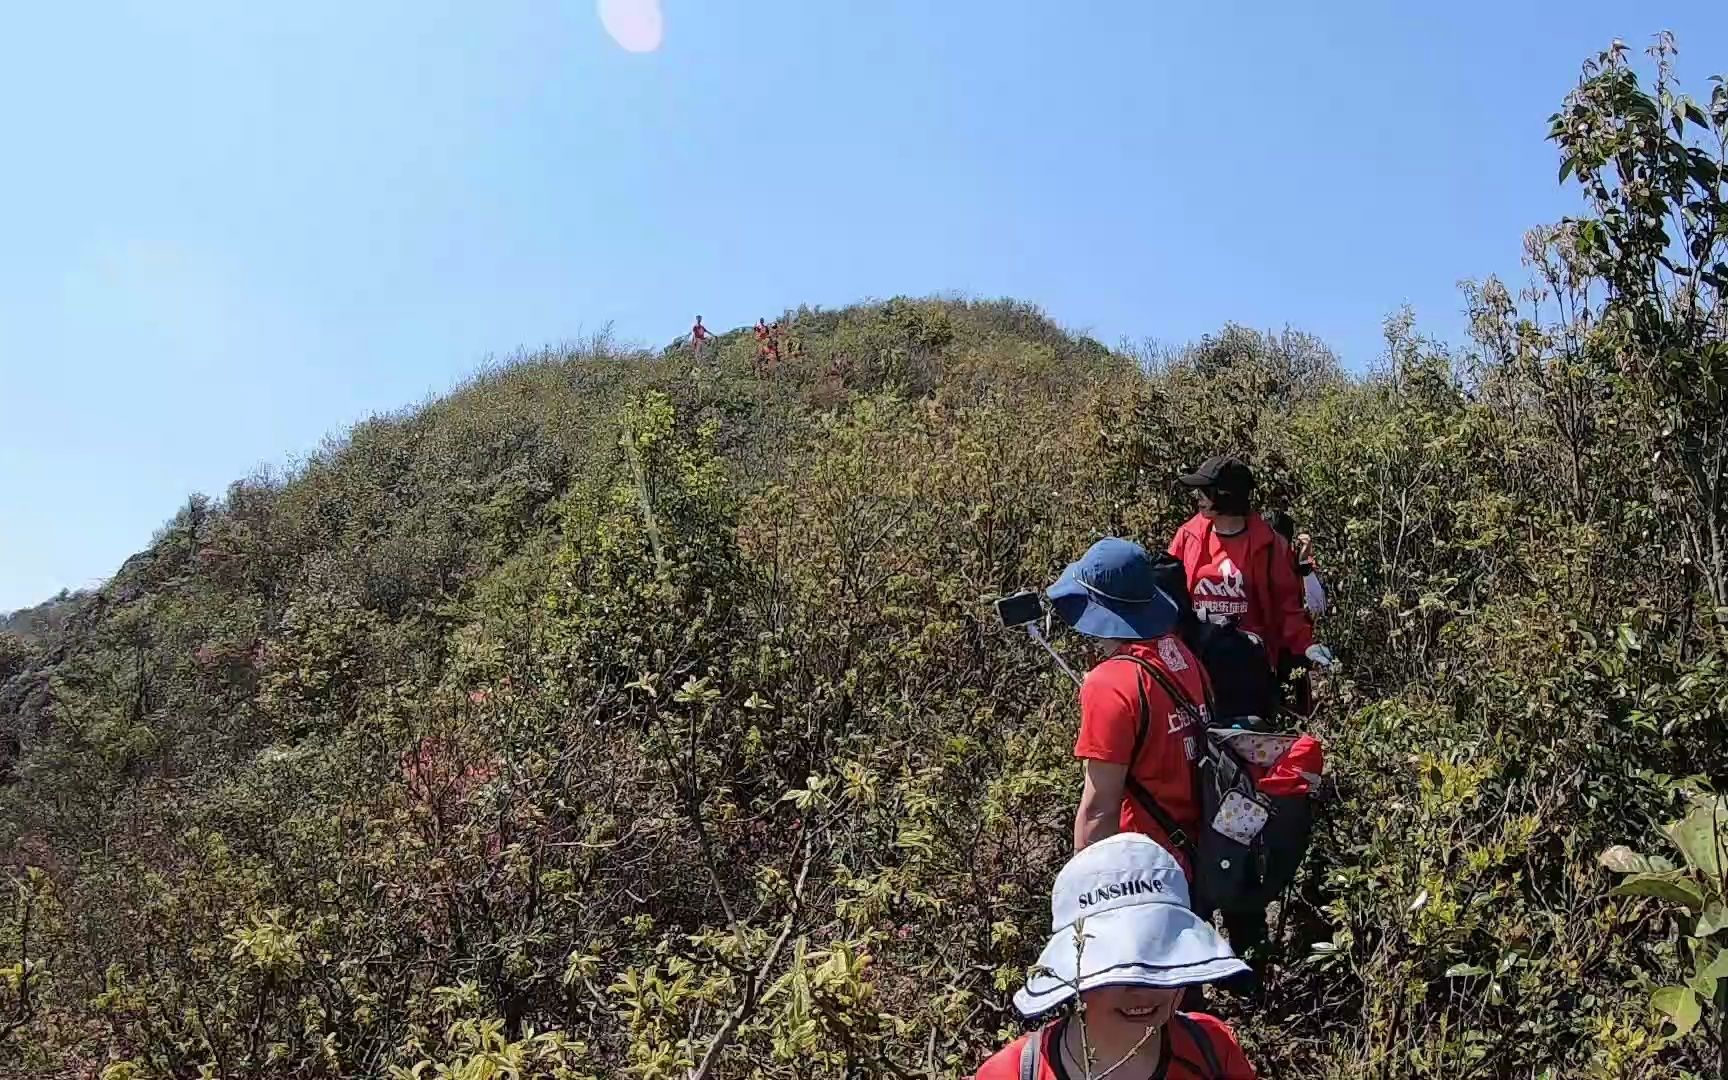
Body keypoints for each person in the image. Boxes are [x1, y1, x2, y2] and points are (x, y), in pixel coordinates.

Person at [971, 833, 1257, 1079]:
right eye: (1115, 966)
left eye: (1161, 955)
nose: (1142, 985)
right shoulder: (1011, 1072)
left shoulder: (1212, 1048)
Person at [1045, 538, 1209, 864]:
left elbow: (1098, 810)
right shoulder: (1180, 654)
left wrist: (1088, 895)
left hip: (1142, 868)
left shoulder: (1110, 685)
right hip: (1195, 855)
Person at [1168, 456, 1334, 694]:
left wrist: (1305, 645)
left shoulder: (1269, 546)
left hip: (1247, 667)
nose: (1198, 498)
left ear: (1226, 496)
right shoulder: (1188, 537)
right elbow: (1169, 594)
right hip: (1197, 662)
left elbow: (1287, 605)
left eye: (1206, 491)